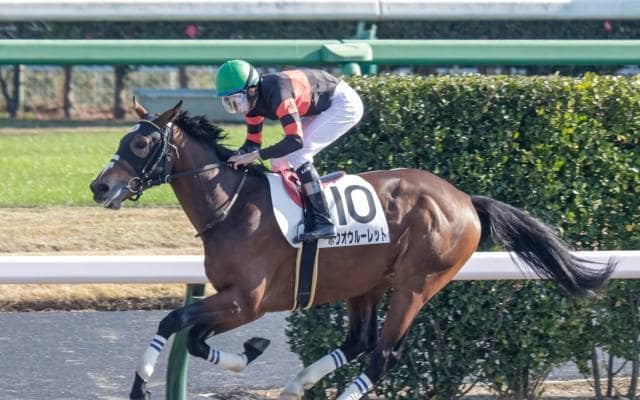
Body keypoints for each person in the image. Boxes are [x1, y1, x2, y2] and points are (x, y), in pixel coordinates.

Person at [216, 59, 364, 242]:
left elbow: (295, 141)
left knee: (298, 154)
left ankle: (324, 221)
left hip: (342, 103)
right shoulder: (251, 105)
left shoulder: (278, 94)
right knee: (278, 162)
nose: (237, 108)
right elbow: (253, 143)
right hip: (316, 106)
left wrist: (254, 156)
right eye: (229, 103)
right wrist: (233, 157)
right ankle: (299, 209)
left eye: (236, 100)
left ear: (252, 90)